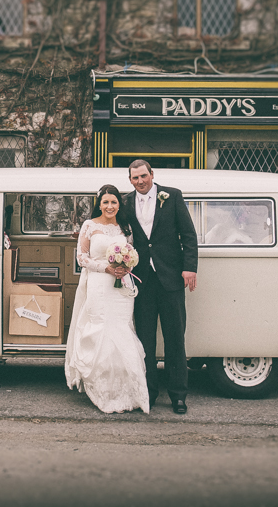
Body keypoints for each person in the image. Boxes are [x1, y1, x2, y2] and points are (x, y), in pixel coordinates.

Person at [65, 184, 151, 414]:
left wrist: (126, 264)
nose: (110, 206)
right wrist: (106, 268)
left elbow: (133, 252)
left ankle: (128, 392)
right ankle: (103, 391)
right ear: (99, 204)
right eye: (105, 202)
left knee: (121, 329)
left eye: (114, 202)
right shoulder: (89, 225)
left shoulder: (125, 227)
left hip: (122, 285)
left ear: (119, 204)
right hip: (99, 283)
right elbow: (81, 258)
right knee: (102, 329)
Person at [124, 159, 199, 414]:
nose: (140, 181)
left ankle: (178, 395)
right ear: (130, 180)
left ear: (152, 174)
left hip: (171, 278)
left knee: (175, 338)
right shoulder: (125, 202)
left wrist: (190, 268)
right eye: (135, 178)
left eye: (143, 176)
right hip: (141, 280)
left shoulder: (173, 196)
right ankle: (149, 393)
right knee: (145, 340)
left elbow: (188, 235)